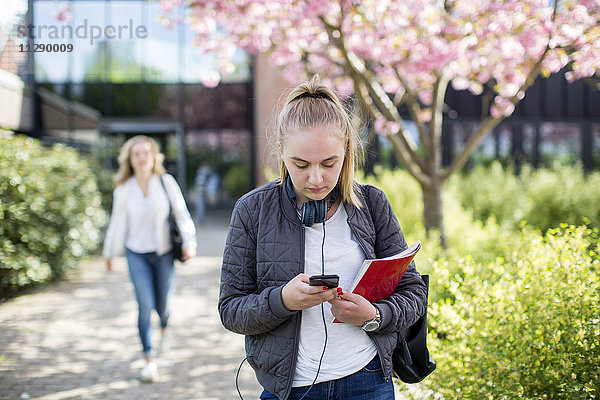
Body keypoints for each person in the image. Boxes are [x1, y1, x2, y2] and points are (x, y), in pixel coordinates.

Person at [218, 76, 427, 400]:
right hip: (290, 389)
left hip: (367, 381)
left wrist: (373, 316)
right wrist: (283, 300)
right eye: (301, 164)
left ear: (346, 152)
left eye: (329, 163)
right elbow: (231, 309)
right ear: (281, 152)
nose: (316, 178)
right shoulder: (252, 210)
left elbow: (413, 293)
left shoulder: (372, 204)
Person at [103, 135, 197, 383]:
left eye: (146, 153)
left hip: (164, 253)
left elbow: (182, 214)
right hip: (136, 254)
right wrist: (110, 253)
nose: (142, 158)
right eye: (137, 154)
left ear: (154, 157)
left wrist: (189, 243)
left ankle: (164, 330)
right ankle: (149, 360)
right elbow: (116, 222)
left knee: (163, 306)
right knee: (144, 305)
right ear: (130, 160)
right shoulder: (124, 189)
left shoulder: (165, 182)